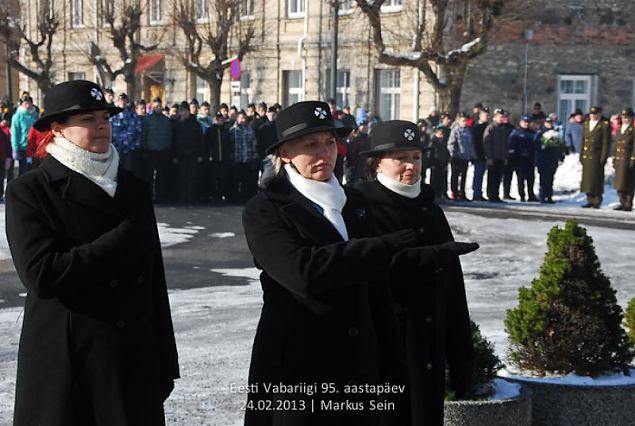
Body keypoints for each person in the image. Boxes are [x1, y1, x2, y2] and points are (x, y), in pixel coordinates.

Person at [4, 80, 179, 425]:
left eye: (105, 117)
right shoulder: (30, 191)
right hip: (68, 361)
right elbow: (42, 275)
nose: (101, 126)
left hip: (132, 355)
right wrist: (119, 243)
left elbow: (154, 283)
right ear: (57, 129)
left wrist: (164, 361)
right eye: (86, 119)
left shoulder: (133, 188)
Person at [243, 101, 427, 425]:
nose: (324, 154)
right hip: (298, 373)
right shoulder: (266, 209)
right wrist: (375, 248)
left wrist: (392, 367)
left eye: (330, 143)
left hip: (360, 368)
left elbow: (377, 293)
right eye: (310, 145)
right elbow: (302, 273)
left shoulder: (354, 203)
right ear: (285, 153)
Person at [355, 120, 478, 425]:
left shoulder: (430, 208)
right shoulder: (360, 207)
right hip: (386, 347)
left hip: (429, 346)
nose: (410, 166)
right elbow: (364, 272)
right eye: (400, 158)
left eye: (416, 157)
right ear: (377, 163)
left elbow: (453, 288)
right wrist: (427, 257)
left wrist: (461, 354)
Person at [580, 106, 610, 208]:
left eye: (596, 114)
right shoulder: (586, 124)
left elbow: (606, 143)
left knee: (596, 179)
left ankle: (597, 200)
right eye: (592, 114)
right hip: (587, 155)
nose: (594, 116)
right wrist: (581, 155)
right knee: (587, 180)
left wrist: (603, 157)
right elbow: (583, 141)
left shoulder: (603, 126)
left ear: (599, 114)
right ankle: (589, 199)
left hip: (596, 155)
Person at [483, 109, 512, 202]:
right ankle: (491, 195)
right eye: (500, 117)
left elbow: (505, 144)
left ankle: (496, 194)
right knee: (492, 177)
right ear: (495, 117)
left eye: (503, 117)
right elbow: (487, 143)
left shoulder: (503, 128)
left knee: (498, 177)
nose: (501, 118)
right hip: (493, 157)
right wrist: (489, 157)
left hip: (500, 157)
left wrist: (505, 156)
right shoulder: (491, 128)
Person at [534, 117, 565, 203]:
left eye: (550, 123)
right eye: (548, 123)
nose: (549, 124)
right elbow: (536, 145)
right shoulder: (540, 133)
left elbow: (559, 146)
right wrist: (543, 146)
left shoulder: (556, 133)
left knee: (551, 178)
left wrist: (560, 156)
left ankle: (549, 196)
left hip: (552, 159)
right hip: (543, 159)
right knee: (543, 179)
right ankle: (542, 195)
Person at [507, 115, 538, 202]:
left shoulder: (532, 133)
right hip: (519, 159)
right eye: (524, 122)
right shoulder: (516, 133)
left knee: (531, 179)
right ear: (520, 122)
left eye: (527, 122)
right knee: (520, 179)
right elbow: (512, 146)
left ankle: (531, 195)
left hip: (530, 160)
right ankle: (522, 196)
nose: (526, 124)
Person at [447, 112, 475, 201]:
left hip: (465, 157)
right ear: (458, 121)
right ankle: (454, 193)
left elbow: (470, 145)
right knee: (455, 176)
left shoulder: (468, 131)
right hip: (456, 157)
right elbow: (451, 144)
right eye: (463, 121)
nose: (465, 122)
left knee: (463, 177)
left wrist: (472, 155)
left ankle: (462, 193)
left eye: (466, 121)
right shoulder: (455, 130)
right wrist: (452, 154)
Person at [612, 108, 635, 211]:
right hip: (619, 159)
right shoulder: (620, 129)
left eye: (628, 118)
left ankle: (628, 203)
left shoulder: (632, 130)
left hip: (627, 158)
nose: (626, 119)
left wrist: (633, 159)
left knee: (628, 182)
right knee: (619, 182)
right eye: (624, 117)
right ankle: (621, 201)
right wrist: (614, 158)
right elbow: (616, 145)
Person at [10, 95, 39, 177]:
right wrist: (15, 149)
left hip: (34, 148)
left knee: (33, 171)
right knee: (24, 171)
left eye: (29, 103)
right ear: (22, 104)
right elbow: (14, 134)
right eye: (25, 103)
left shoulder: (35, 115)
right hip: (23, 148)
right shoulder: (17, 116)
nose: (28, 105)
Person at [471, 107, 490, 201]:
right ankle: (476, 193)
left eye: (488, 115)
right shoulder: (476, 128)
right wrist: (475, 154)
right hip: (479, 155)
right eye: (485, 115)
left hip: (487, 154)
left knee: (482, 175)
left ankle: (480, 193)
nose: (487, 117)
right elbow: (474, 143)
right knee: (478, 175)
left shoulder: (488, 127)